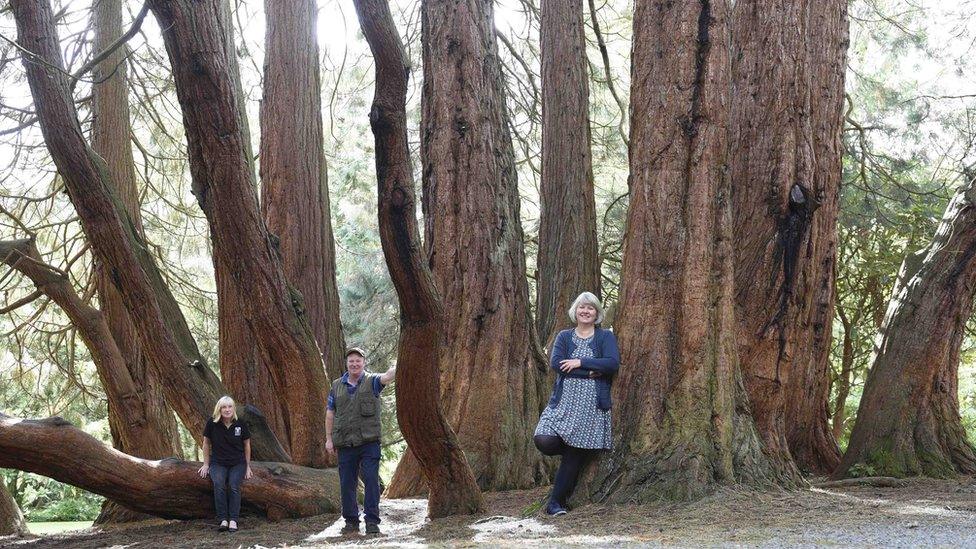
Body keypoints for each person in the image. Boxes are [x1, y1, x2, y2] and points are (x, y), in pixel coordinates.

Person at [534, 291, 619, 516]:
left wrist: (579, 361)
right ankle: (578, 452)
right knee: (543, 439)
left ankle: (555, 504)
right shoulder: (564, 336)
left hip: (591, 405)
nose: (585, 311)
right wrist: (591, 371)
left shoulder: (605, 337)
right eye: (582, 307)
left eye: (590, 308)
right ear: (575, 311)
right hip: (562, 403)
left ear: (597, 313)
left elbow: (611, 363)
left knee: (573, 452)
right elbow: (557, 364)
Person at [326, 347, 396, 535]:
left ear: (364, 362)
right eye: (351, 361)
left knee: (371, 480)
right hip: (345, 443)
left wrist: (399, 362)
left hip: (369, 442)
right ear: (347, 364)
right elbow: (330, 413)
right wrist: (328, 439)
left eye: (358, 360)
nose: (354, 364)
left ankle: (372, 522)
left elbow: (388, 376)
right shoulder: (336, 385)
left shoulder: (373, 381)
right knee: (347, 483)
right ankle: (351, 522)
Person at [198, 396, 253, 532]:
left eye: (229, 407)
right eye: (224, 407)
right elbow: (206, 443)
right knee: (219, 484)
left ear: (233, 408)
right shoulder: (212, 423)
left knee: (234, 485)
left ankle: (233, 520)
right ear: (219, 409)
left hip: (238, 463)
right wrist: (206, 464)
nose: (227, 409)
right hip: (218, 463)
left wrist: (247, 466)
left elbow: (247, 445)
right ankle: (223, 519)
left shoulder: (240, 423)